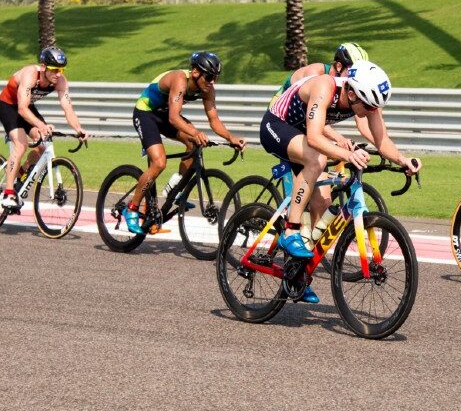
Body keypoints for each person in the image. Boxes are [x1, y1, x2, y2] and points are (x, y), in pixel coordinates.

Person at [260, 60, 418, 303]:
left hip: (301, 133)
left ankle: (297, 275)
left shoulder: (368, 102)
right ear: (352, 93)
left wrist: (403, 160)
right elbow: (314, 136)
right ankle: (290, 231)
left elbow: (382, 140)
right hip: (277, 125)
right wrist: (347, 154)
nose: (369, 111)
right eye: (367, 106)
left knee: (322, 203)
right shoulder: (325, 86)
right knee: (317, 160)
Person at [125, 51, 247, 234]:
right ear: (196, 72)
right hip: (146, 113)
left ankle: (175, 189)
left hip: (164, 116)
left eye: (216, 78)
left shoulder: (207, 89)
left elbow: (213, 119)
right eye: (210, 77)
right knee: (159, 162)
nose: (213, 82)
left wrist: (231, 137)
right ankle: (132, 208)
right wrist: (196, 131)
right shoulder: (180, 80)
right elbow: (174, 118)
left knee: (193, 144)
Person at [0, 46, 89, 210]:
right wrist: (41, 125)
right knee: (21, 145)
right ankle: (8, 193)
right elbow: (22, 109)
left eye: (61, 69)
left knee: (43, 144)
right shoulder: (30, 74)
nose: (58, 74)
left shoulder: (60, 81)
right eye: (54, 70)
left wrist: (78, 129)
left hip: (27, 108)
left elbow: (68, 108)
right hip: (8, 106)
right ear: (44, 66)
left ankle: (21, 172)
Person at [272, 42, 368, 99]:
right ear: (339, 66)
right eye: (352, 70)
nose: (355, 76)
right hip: (279, 113)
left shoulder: (345, 82)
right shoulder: (315, 72)